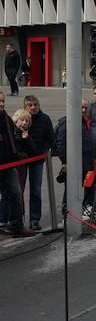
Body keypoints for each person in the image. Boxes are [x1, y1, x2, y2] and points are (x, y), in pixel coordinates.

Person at [52, 99, 96, 219]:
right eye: (81, 107)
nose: (83, 110)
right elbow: (61, 144)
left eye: (86, 108)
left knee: (88, 187)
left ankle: (85, 209)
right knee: (71, 190)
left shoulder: (85, 122)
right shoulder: (67, 122)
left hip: (88, 162)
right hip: (74, 164)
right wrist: (65, 162)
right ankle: (68, 215)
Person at [0, 95, 34, 235]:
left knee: (15, 193)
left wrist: (18, 155)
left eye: (3, 101)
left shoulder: (6, 119)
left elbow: (12, 139)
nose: (1, 104)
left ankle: (16, 225)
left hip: (9, 164)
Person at [20, 95, 52, 230]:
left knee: (35, 191)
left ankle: (34, 219)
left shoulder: (45, 119)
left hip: (37, 160)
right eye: (29, 105)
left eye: (35, 104)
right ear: (25, 107)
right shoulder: (21, 118)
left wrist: (42, 151)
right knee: (18, 191)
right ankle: (17, 220)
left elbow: (50, 138)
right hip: (21, 160)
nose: (33, 107)